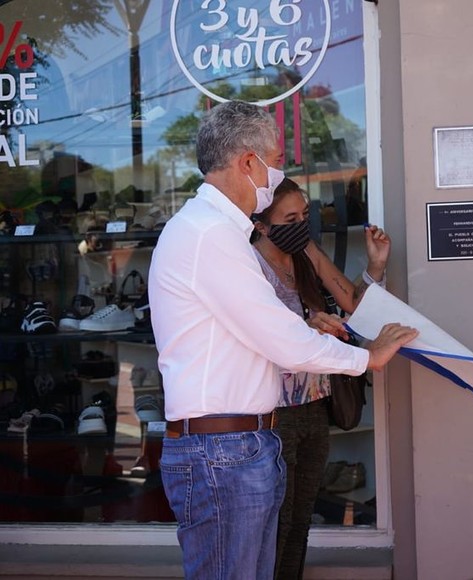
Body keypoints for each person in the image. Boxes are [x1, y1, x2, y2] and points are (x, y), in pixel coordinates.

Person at [148, 100, 418, 580]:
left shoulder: (215, 232)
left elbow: (274, 329)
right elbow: (282, 339)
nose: (278, 174)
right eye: (275, 162)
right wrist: (368, 357)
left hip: (237, 444)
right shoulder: (209, 233)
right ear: (246, 163)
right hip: (223, 450)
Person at [250, 177, 388, 579]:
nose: (301, 225)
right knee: (278, 522)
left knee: (299, 522)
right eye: (289, 218)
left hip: (314, 404)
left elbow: (354, 305)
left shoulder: (306, 253)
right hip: (273, 413)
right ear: (260, 224)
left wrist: (375, 265)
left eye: (305, 215)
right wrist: (306, 324)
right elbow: (257, 336)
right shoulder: (247, 265)